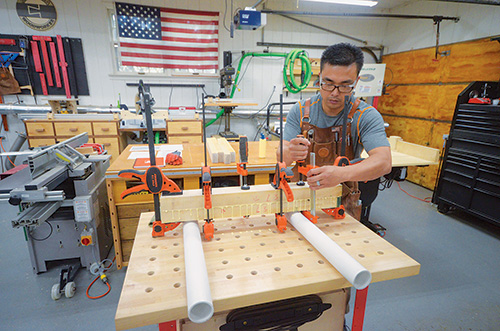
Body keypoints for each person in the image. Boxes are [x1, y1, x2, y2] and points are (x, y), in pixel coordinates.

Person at [277, 43, 391, 217]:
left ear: (357, 81)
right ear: (320, 77)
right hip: (299, 200)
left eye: (345, 86)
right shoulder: (300, 110)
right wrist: (290, 152)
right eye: (328, 83)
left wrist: (341, 174)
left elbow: (384, 162)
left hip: (341, 202)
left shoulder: (366, 115)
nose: (335, 93)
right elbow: (281, 156)